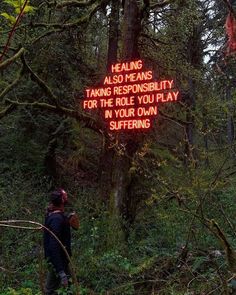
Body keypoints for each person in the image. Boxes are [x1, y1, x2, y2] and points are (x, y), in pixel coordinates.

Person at [43, 188, 79, 295]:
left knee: (70, 288)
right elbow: (53, 245)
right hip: (57, 261)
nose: (67, 198)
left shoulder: (55, 216)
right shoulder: (56, 219)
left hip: (62, 260)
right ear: (62, 201)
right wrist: (60, 271)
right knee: (50, 291)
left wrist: (67, 219)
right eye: (65, 197)